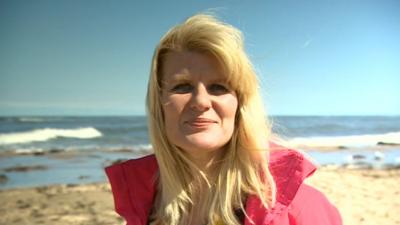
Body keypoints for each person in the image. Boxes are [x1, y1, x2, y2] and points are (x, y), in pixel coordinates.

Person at [105, 13, 342, 225]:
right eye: (182, 86)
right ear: (160, 102)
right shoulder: (145, 206)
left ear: (240, 104)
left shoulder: (297, 207)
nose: (200, 101)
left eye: (218, 87)